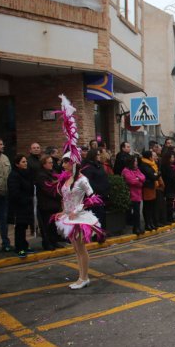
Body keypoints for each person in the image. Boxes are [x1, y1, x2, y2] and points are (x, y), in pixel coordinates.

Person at [50, 95, 105, 290]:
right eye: (63, 161)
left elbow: (93, 198)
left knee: (81, 249)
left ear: (73, 163)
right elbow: (65, 198)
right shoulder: (65, 179)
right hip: (69, 216)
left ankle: (84, 277)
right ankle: (81, 276)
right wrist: (64, 212)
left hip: (80, 217)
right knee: (75, 249)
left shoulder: (82, 180)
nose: (63, 164)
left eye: (66, 161)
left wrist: (77, 209)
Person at [7, 154, 35, 258]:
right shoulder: (14, 175)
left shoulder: (26, 174)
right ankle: (19, 248)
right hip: (18, 207)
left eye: (26, 161)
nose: (25, 163)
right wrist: (25, 199)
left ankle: (24, 245)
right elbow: (14, 192)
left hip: (26, 205)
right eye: (23, 162)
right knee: (19, 227)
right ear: (17, 164)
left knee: (24, 227)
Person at [35, 155, 63, 250]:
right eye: (49, 162)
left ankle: (54, 241)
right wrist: (60, 194)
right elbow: (48, 189)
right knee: (46, 225)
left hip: (54, 204)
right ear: (44, 164)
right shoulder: (41, 175)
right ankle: (47, 243)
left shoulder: (53, 173)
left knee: (53, 225)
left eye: (52, 162)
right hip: (46, 204)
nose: (52, 164)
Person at [80, 149, 110, 230]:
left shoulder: (99, 165)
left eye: (99, 154)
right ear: (93, 156)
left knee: (102, 215)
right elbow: (89, 183)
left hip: (103, 195)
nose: (99, 156)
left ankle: (102, 232)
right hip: (95, 197)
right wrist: (100, 189)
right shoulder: (88, 168)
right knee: (97, 216)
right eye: (97, 155)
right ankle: (97, 234)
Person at [139, 150, 163, 231]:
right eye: (152, 156)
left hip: (152, 187)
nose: (153, 157)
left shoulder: (150, 164)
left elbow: (154, 174)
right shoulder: (145, 165)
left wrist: (156, 174)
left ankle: (151, 223)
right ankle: (147, 224)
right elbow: (153, 176)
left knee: (151, 206)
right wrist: (157, 174)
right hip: (147, 187)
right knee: (147, 206)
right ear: (149, 157)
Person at [121, 155, 145, 234]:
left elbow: (143, 177)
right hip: (131, 194)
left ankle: (137, 227)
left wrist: (138, 178)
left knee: (137, 213)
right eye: (135, 161)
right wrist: (138, 179)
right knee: (133, 213)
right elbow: (131, 181)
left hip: (138, 194)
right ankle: (134, 228)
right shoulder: (126, 170)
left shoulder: (137, 169)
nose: (136, 163)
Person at [160, 149, 175, 224]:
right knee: (169, 204)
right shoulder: (166, 167)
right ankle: (168, 218)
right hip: (168, 188)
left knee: (170, 203)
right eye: (172, 157)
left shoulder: (169, 166)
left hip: (170, 187)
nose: (173, 159)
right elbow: (171, 177)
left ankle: (170, 217)